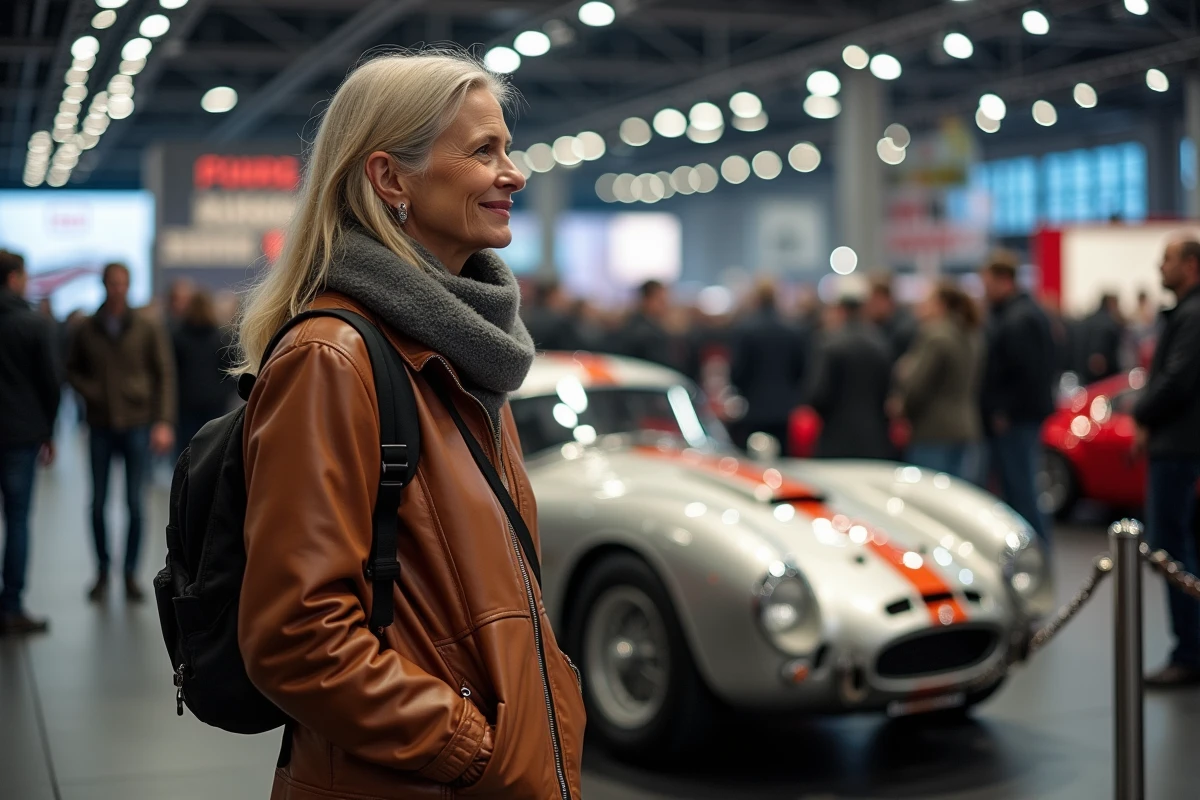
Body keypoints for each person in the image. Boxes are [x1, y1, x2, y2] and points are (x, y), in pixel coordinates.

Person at [232, 52, 584, 798]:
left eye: (507, 149)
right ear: (391, 179)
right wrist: (472, 750)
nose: (513, 173)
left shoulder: (467, 350)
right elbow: (297, 638)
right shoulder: (334, 357)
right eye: (483, 151)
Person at [66, 262, 176, 603]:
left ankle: (129, 574)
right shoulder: (88, 329)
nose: (118, 289)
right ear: (104, 285)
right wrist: (92, 391)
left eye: (123, 283)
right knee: (97, 503)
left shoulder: (145, 327)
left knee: (134, 503)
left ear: (129, 286)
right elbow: (71, 370)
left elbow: (164, 373)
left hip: (137, 422)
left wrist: (163, 421)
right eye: (112, 283)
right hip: (100, 424)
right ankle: (102, 570)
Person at [1134, 238, 1200, 687]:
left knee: (1172, 551)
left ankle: (1190, 653)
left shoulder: (1192, 315)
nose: (1160, 266)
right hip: (1179, 445)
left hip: (1178, 449)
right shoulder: (1186, 312)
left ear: (1191, 265)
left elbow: (1176, 380)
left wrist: (1140, 414)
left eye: (1168, 259)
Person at [0, 251, 60, 635]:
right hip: (20, 435)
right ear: (15, 279)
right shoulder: (32, 324)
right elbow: (50, 384)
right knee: (17, 520)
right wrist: (48, 431)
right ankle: (11, 606)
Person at [979, 252, 1057, 543]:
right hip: (1020, 418)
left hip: (1017, 421)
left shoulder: (1019, 319)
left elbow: (1027, 373)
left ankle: (1036, 561)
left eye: (987, 283)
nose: (984, 290)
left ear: (1004, 280)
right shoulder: (1024, 313)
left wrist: (1004, 411)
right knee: (1021, 493)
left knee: (1023, 495)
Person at [890, 281, 984, 480]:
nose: (920, 306)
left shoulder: (934, 335)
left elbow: (917, 384)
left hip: (933, 430)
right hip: (967, 426)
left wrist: (902, 401)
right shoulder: (970, 334)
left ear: (940, 304)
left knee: (928, 498)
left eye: (925, 301)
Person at [806, 287, 893, 459]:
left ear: (840, 310)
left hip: (835, 436)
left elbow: (817, 394)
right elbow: (888, 389)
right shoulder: (880, 343)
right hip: (874, 437)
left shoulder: (830, 344)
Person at [729, 280, 808, 452]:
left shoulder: (745, 330)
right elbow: (801, 370)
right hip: (785, 409)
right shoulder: (793, 330)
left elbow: (737, 371)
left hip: (754, 408)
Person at [172, 289, 237, 452]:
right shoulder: (222, 337)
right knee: (212, 449)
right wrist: (224, 392)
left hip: (186, 402)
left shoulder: (178, 337)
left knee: (187, 450)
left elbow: (173, 371)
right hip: (215, 402)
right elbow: (231, 370)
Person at [617, 279, 677, 368]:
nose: (666, 305)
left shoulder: (643, 326)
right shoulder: (644, 333)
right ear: (646, 300)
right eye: (661, 301)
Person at [864, 273, 918, 364]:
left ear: (882, 299)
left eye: (872, 301)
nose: (868, 307)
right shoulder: (882, 323)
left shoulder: (904, 331)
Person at [523, 279, 582, 352]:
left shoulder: (529, 318)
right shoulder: (561, 324)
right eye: (560, 294)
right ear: (550, 297)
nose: (565, 298)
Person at [1079, 292, 1124, 383]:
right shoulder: (1109, 323)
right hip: (1105, 377)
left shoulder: (1088, 320)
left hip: (1085, 375)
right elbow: (1098, 359)